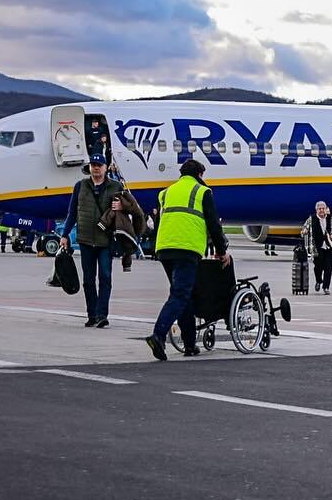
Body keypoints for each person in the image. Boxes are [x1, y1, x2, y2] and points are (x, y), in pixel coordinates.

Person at [145, 159, 229, 361]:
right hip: (187, 248)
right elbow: (213, 224)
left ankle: (190, 343)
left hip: (164, 248)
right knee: (180, 295)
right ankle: (158, 334)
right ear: (199, 174)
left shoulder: (165, 192)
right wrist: (221, 250)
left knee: (184, 295)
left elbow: (158, 222)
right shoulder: (203, 192)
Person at [60, 152, 129, 327]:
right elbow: (72, 213)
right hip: (85, 240)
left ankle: (102, 315)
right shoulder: (80, 186)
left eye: (99, 165)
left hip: (106, 239)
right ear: (89, 168)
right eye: (93, 165)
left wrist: (122, 205)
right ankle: (92, 314)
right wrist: (64, 234)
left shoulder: (116, 186)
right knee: (88, 280)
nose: (96, 168)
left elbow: (131, 208)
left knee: (105, 277)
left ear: (106, 168)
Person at [100, 188, 145, 271]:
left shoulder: (115, 207)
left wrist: (102, 224)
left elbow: (108, 216)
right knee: (127, 247)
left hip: (115, 231)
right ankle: (126, 265)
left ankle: (126, 264)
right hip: (124, 231)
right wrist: (139, 232)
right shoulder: (129, 202)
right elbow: (139, 215)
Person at [305, 201, 332, 294]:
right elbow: (305, 228)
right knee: (318, 267)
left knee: (328, 268)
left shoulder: (331, 218)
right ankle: (319, 281)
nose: (322, 210)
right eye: (320, 209)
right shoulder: (312, 219)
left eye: (323, 208)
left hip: (329, 246)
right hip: (317, 247)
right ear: (316, 210)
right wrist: (304, 231)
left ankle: (326, 287)